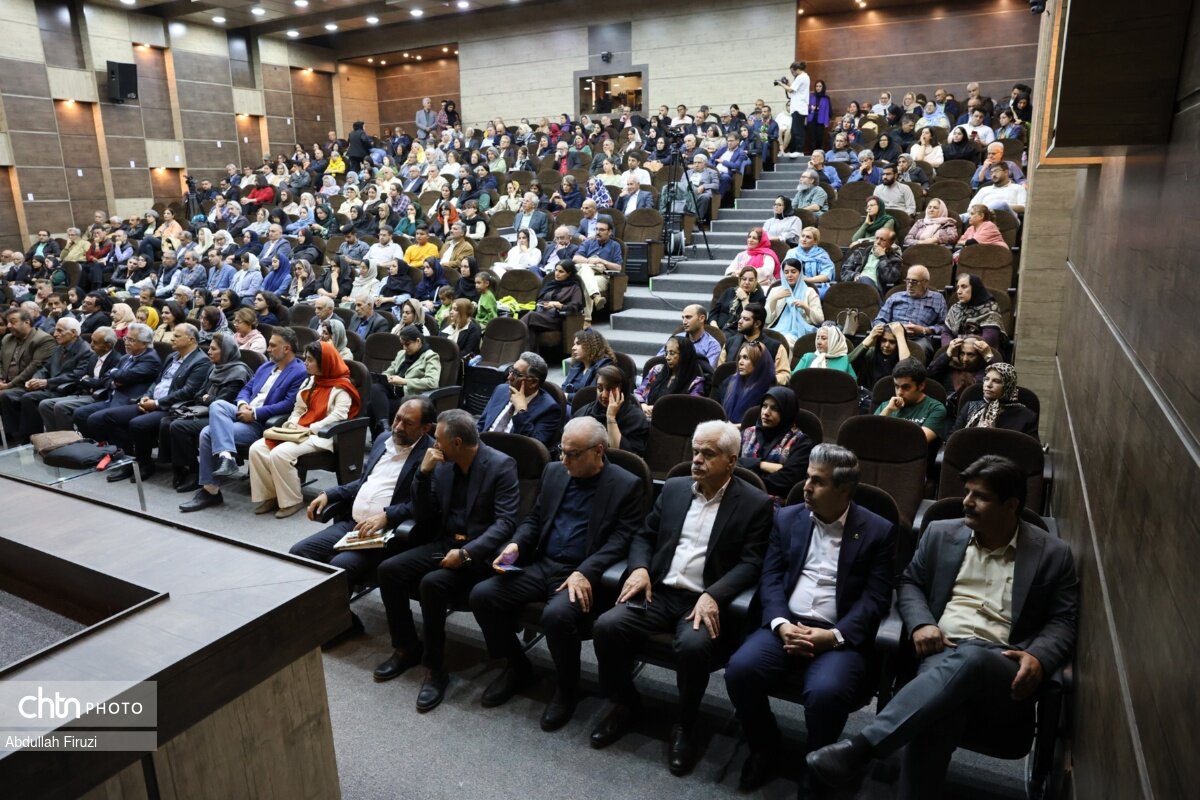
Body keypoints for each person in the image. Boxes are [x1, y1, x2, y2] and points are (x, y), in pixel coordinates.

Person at [806, 456, 1078, 799]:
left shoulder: (1052, 553)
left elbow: (1063, 619)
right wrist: (921, 622)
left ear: (1011, 505)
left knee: (972, 660)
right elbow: (909, 582)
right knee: (938, 716)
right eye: (967, 492)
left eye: (980, 496)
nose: (967, 502)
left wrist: (1038, 656)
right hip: (943, 650)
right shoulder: (941, 533)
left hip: (1004, 666)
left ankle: (860, 748)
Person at [590, 421, 772, 775]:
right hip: (658, 591)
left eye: (708, 454)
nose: (697, 460)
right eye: (695, 451)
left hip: (702, 600)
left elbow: (752, 563)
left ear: (732, 460)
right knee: (607, 627)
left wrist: (714, 595)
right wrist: (639, 568)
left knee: (692, 647)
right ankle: (626, 703)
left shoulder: (755, 503)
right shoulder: (674, 489)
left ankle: (685, 725)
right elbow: (644, 535)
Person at [726, 443, 896, 792]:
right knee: (740, 671)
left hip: (838, 637)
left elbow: (876, 598)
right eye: (807, 477)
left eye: (817, 482)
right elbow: (771, 577)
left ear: (844, 490)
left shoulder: (878, 531)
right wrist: (780, 623)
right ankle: (765, 746)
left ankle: (817, 764)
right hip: (786, 625)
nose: (806, 487)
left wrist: (834, 636)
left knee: (826, 693)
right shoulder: (787, 518)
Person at [469, 415, 645, 727]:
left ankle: (567, 688)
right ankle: (518, 667)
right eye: (561, 451)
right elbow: (534, 519)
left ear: (598, 451)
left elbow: (621, 541)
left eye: (572, 454)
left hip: (581, 573)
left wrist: (585, 571)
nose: (564, 460)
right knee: (483, 595)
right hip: (543, 563)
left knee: (557, 616)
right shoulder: (554, 472)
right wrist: (516, 545)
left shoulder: (626, 484)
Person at [373, 409, 520, 712]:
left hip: (479, 555)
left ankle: (435, 668)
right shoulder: (442, 465)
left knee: (432, 584)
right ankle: (407, 647)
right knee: (389, 570)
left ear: (456, 442)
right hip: (445, 544)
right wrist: (422, 474)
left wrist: (468, 553)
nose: (434, 446)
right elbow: (423, 512)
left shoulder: (501, 465)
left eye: (438, 440)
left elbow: (505, 523)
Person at [290, 397, 437, 640]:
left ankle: (338, 626)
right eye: (397, 418)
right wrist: (330, 494)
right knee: (299, 552)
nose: (399, 426)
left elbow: (425, 505)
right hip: (353, 524)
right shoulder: (383, 440)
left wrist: (386, 516)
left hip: (386, 535)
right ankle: (331, 619)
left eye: (408, 423)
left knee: (339, 567)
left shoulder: (430, 457)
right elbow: (363, 482)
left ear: (426, 428)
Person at [179, 328, 308, 512]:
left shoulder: (299, 371)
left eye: (272, 345)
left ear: (286, 348)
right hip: (243, 412)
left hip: (261, 422)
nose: (268, 349)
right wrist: (242, 405)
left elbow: (288, 405)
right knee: (218, 404)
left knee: (207, 433)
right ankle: (227, 456)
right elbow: (246, 389)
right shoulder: (266, 367)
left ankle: (211, 491)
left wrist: (254, 413)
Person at [247, 341, 361, 519]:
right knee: (257, 449)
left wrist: (311, 428)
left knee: (279, 453)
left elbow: (339, 416)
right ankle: (272, 495)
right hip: (299, 430)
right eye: (305, 358)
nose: (305, 363)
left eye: (310, 360)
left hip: (322, 436)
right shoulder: (311, 380)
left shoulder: (342, 386)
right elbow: (299, 408)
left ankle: (292, 501)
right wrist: (293, 423)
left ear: (323, 363)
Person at [92, 324, 212, 482]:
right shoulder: (172, 356)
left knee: (137, 424)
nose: (171, 339)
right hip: (152, 401)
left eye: (176, 336)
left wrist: (156, 403)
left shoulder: (201, 361)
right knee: (109, 417)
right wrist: (146, 396)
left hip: (173, 408)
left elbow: (187, 392)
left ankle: (145, 464)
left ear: (191, 340)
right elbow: (157, 381)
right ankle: (129, 460)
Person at [162, 333, 255, 490]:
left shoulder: (238, 372)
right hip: (205, 411)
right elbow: (198, 394)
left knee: (178, 426)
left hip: (223, 418)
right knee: (166, 421)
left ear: (225, 351)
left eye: (213, 349)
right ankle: (181, 468)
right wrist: (206, 398)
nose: (209, 352)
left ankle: (195, 472)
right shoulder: (214, 367)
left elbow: (223, 401)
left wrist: (207, 398)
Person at [0, 316, 90, 445]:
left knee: (29, 398)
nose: (55, 334)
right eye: (56, 330)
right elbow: (45, 368)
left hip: (65, 389)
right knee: (6, 395)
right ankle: (15, 435)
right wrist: (35, 379)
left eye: (59, 331)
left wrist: (47, 382)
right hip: (48, 386)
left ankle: (30, 437)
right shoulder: (60, 348)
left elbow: (75, 376)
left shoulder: (85, 351)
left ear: (73, 333)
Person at [70, 322, 163, 435]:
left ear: (144, 343)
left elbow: (123, 376)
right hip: (112, 398)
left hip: (128, 402)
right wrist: (114, 382)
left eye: (131, 340)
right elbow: (106, 377)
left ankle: (110, 444)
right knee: (80, 413)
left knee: (95, 419)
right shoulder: (126, 357)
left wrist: (114, 373)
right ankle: (95, 442)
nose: (126, 343)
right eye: (126, 338)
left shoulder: (151, 359)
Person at [736, 386, 815, 506]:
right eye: (764, 406)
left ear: (786, 412)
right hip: (737, 494)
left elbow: (786, 481)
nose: (766, 412)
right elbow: (728, 463)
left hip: (773, 504)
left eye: (774, 408)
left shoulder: (801, 442)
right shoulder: (748, 433)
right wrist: (761, 464)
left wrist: (746, 472)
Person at [37, 327, 121, 432]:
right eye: (91, 340)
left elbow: (103, 382)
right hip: (84, 393)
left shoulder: (117, 359)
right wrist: (87, 380)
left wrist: (87, 380)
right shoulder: (94, 356)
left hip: (99, 397)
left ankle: (67, 439)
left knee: (61, 407)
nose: (91, 344)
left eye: (95, 342)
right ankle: (53, 436)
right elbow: (79, 376)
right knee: (45, 404)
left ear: (107, 346)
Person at [476, 352, 561, 449]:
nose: (509, 377)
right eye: (511, 370)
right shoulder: (501, 390)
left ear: (533, 382)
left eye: (516, 374)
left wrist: (521, 411)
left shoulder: (549, 409)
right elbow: (481, 424)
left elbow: (535, 448)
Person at [571, 365, 649, 455]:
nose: (604, 395)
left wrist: (611, 417)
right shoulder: (586, 412)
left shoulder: (636, 419)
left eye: (610, 389)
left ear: (622, 391)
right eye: (600, 388)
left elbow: (623, 457)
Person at [872, 265, 947, 358]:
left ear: (926, 283)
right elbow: (878, 321)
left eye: (914, 282)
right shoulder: (895, 297)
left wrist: (923, 330)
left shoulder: (938, 299)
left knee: (918, 350)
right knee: (873, 350)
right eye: (908, 280)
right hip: (892, 336)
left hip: (919, 339)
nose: (910, 285)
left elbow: (944, 326)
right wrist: (895, 329)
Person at [951, 362, 1038, 438]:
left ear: (1008, 386)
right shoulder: (970, 407)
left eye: (996, 381)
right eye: (986, 379)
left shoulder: (1027, 417)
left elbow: (1030, 447)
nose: (988, 385)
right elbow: (952, 438)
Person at [875, 357, 948, 444]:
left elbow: (917, 441)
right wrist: (888, 410)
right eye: (896, 386)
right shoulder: (887, 406)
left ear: (921, 386)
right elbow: (871, 435)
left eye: (906, 387)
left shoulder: (935, 409)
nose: (899, 392)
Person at [635, 334, 708, 417]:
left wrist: (658, 409)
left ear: (684, 355)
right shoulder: (656, 370)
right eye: (666, 353)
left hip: (674, 421)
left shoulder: (696, 382)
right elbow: (638, 392)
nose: (667, 357)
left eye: (672, 353)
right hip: (646, 416)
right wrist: (643, 405)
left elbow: (691, 409)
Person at [572, 216, 623, 324]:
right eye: (596, 229)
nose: (598, 232)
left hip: (602, 276)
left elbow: (618, 267)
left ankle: (587, 319)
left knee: (585, 280)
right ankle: (595, 299)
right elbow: (575, 258)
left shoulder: (615, 245)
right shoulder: (588, 242)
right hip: (587, 271)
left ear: (610, 232)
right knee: (586, 273)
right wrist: (591, 261)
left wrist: (602, 261)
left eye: (602, 230)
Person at [766, 259, 824, 346]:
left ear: (800, 273)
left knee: (786, 342)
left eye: (793, 272)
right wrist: (774, 299)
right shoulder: (775, 291)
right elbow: (767, 320)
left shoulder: (809, 292)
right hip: (775, 329)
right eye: (786, 272)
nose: (789, 275)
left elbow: (819, 319)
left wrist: (805, 307)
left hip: (799, 331)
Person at [850, 321, 911, 398]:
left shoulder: (904, 356)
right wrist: (870, 337)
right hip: (867, 397)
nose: (887, 345)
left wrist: (900, 336)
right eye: (883, 340)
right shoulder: (871, 353)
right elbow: (848, 364)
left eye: (892, 342)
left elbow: (907, 368)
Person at [721, 340, 777, 424]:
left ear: (759, 362)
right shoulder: (729, 382)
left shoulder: (769, 390)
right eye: (740, 358)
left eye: (745, 358)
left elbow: (760, 423)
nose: (740, 362)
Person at [944, 273, 1005, 348]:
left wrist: (967, 349)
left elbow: (990, 338)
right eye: (958, 287)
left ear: (975, 288)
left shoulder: (990, 308)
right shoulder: (955, 307)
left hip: (980, 351)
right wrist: (949, 348)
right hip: (956, 350)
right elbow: (946, 333)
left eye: (964, 287)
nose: (958, 291)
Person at [840, 228, 902, 296]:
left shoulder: (895, 259)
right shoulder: (859, 253)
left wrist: (882, 257)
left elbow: (890, 279)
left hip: (876, 290)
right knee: (863, 279)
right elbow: (844, 272)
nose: (878, 242)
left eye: (882, 240)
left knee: (864, 279)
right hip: (855, 286)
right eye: (877, 238)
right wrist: (854, 275)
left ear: (891, 243)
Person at [561, 328, 614, 405]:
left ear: (590, 345)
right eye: (574, 344)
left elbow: (592, 394)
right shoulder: (577, 364)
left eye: (578, 344)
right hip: (569, 404)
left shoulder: (605, 365)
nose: (573, 348)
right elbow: (564, 387)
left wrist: (567, 396)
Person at [711, 267, 765, 333]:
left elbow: (751, 319)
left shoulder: (759, 297)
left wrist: (744, 299)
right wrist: (713, 323)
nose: (747, 282)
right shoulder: (729, 291)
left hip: (737, 331)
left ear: (755, 281)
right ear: (739, 280)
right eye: (744, 279)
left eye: (751, 280)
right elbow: (714, 311)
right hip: (717, 328)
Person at [783, 61, 810, 156]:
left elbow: (790, 90)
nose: (792, 74)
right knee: (795, 130)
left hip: (799, 108)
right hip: (798, 108)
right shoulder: (804, 77)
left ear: (797, 69)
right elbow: (794, 89)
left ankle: (799, 150)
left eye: (792, 72)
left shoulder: (801, 77)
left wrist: (780, 84)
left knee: (798, 131)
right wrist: (788, 83)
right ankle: (795, 150)